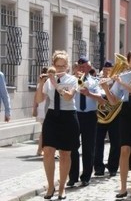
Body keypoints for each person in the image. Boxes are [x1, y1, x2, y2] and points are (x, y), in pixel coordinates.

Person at [100, 50, 131, 199]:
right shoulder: (123, 76)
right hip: (126, 112)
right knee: (124, 150)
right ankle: (122, 188)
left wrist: (123, 83)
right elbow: (114, 100)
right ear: (128, 63)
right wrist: (106, 88)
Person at [35, 50, 80, 200]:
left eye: (63, 66)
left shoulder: (73, 80)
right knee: (47, 151)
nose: (60, 69)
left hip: (68, 116)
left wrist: (56, 84)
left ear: (67, 66)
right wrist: (41, 83)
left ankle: (62, 187)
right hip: (52, 116)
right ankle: (50, 186)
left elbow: (68, 97)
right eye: (57, 66)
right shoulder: (48, 81)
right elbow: (40, 99)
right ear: (53, 66)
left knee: (65, 154)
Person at [67, 56, 103, 187]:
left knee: (88, 147)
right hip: (74, 115)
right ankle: (72, 176)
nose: (81, 69)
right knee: (72, 146)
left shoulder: (94, 81)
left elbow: (101, 98)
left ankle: (86, 176)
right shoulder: (71, 80)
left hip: (89, 116)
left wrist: (89, 94)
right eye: (79, 67)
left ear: (89, 68)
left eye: (84, 67)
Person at [94, 60, 120, 177]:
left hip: (114, 116)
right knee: (98, 142)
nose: (107, 72)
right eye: (105, 70)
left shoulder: (117, 83)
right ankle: (98, 167)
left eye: (109, 70)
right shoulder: (97, 81)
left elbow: (116, 100)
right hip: (100, 116)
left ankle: (113, 167)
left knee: (115, 142)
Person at [32, 67, 51, 156]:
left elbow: (35, 97)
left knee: (44, 131)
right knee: (44, 131)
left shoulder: (41, 84)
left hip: (42, 108)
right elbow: (39, 97)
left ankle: (41, 149)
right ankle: (40, 149)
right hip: (44, 109)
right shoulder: (45, 84)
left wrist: (35, 108)